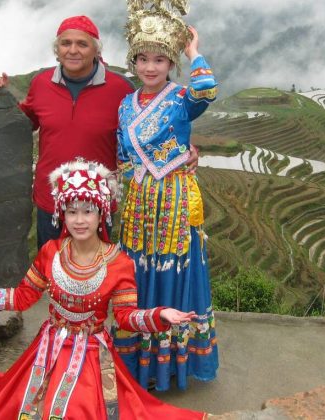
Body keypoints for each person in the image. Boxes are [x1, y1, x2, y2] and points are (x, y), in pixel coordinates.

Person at [0, 160, 207, 419]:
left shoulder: (119, 263)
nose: (79, 220)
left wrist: (159, 315)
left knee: (78, 409)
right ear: (61, 214)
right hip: (47, 350)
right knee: (17, 406)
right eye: (71, 211)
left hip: (91, 354)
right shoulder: (51, 251)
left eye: (87, 211)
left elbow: (125, 317)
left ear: (102, 214)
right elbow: (22, 297)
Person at [0, 15, 198, 250]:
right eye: (66, 43)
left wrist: (185, 149)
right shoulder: (41, 84)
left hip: (98, 200)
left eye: (82, 44)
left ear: (96, 50)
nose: (73, 50)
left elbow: (153, 125)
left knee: (94, 275)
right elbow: (20, 125)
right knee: (51, 268)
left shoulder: (120, 89)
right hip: (51, 199)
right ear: (57, 49)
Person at [113, 0, 218, 392]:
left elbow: (207, 90)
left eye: (160, 59)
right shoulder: (126, 104)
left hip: (173, 198)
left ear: (171, 63)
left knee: (173, 270)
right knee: (138, 273)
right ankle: (138, 362)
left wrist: (194, 51)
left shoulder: (180, 99)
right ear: (134, 62)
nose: (150, 67)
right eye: (142, 59)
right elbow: (122, 154)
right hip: (140, 201)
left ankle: (171, 364)